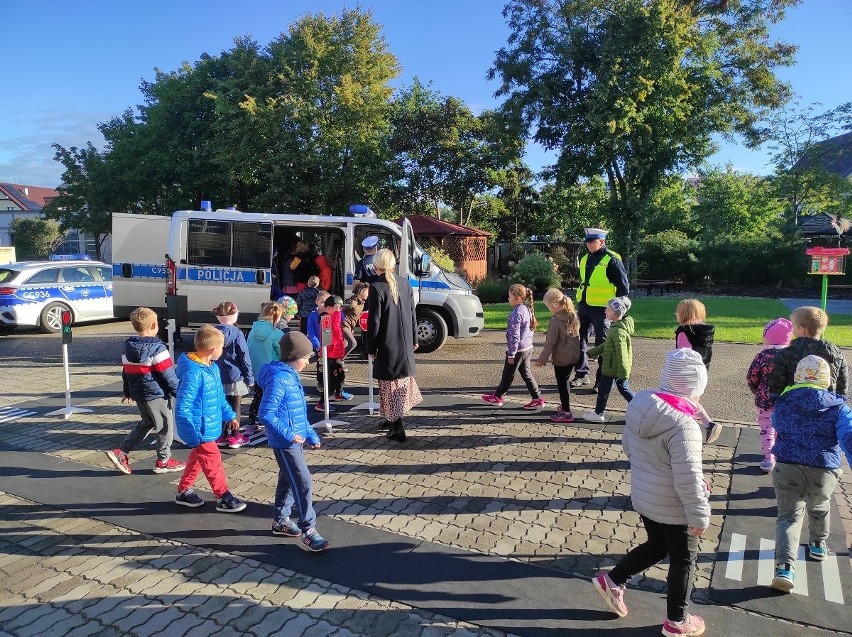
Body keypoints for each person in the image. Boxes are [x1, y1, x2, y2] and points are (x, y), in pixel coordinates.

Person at [591, 348, 710, 637]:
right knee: (684, 559)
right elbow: (689, 477)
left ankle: (614, 580)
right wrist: (699, 514)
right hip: (675, 506)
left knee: (658, 545)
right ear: (696, 387)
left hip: (645, 496)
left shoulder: (642, 405)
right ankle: (677, 621)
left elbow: (629, 449)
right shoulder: (685, 426)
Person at [769, 355, 852, 593]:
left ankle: (784, 567)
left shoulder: (783, 402)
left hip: (787, 465)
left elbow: (776, 425)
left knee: (788, 517)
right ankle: (818, 543)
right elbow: (848, 437)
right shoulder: (839, 408)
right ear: (828, 381)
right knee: (820, 506)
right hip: (823, 468)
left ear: (797, 377)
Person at [257, 331, 329, 552]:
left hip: (294, 439)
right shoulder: (280, 379)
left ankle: (280, 520)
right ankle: (309, 529)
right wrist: (289, 434)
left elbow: (297, 413)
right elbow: (266, 413)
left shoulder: (290, 376)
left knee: (287, 480)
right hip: (285, 442)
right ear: (294, 356)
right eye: (306, 357)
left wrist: (311, 434)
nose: (308, 362)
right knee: (303, 483)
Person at [173, 325, 247, 512]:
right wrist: (190, 434)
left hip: (208, 427)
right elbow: (183, 407)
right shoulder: (193, 373)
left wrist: (230, 415)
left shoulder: (211, 368)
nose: (222, 352)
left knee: (197, 460)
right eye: (222, 348)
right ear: (213, 350)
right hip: (199, 429)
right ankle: (223, 496)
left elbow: (219, 397)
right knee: (213, 461)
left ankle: (183, 491)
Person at [105, 306, 184, 475]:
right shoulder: (158, 349)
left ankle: (122, 451)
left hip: (139, 393)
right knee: (165, 426)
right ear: (155, 325)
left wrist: (127, 391)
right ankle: (163, 460)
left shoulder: (128, 348)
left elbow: (125, 372)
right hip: (157, 394)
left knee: (147, 423)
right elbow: (168, 376)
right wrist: (180, 394)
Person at [365, 248, 423, 442]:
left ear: (376, 266)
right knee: (396, 383)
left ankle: (397, 426)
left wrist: (371, 347)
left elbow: (375, 322)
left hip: (387, 342)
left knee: (389, 384)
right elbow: (413, 314)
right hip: (404, 340)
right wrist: (415, 338)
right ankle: (390, 419)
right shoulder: (404, 283)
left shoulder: (376, 287)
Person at [572, 228, 630, 392]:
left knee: (603, 345)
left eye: (592, 241)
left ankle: (603, 381)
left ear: (602, 242)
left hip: (604, 309)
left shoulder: (612, 259)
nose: (589, 244)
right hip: (584, 305)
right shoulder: (584, 259)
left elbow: (623, 287)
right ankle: (582, 374)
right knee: (578, 339)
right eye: (587, 242)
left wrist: (617, 309)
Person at [481, 284, 544, 410]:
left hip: (518, 350)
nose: (508, 299)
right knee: (526, 374)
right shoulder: (527, 308)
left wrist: (511, 354)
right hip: (527, 347)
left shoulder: (517, 313)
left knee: (508, 374)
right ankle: (537, 398)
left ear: (519, 298)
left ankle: (498, 397)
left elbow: (514, 336)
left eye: (510, 296)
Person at [767, 306, 848, 399]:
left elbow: (777, 381)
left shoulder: (787, 353)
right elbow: (842, 380)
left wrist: (776, 398)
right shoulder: (834, 352)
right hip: (825, 402)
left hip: (794, 402)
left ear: (802, 329)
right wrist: (840, 398)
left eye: (793, 325)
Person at [746, 318, 794, 473]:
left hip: (765, 400)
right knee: (782, 428)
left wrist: (757, 390)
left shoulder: (763, 356)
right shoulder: (792, 356)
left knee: (767, 428)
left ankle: (768, 458)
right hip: (786, 400)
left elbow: (752, 376)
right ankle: (781, 454)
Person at [581, 297, 635, 423]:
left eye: (609, 310)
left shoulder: (617, 331)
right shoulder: (616, 326)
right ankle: (599, 413)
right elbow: (607, 345)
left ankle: (642, 409)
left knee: (622, 390)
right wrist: (591, 353)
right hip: (611, 367)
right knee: (604, 390)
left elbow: (621, 353)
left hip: (613, 368)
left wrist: (623, 374)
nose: (605, 311)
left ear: (616, 313)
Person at [533, 288, 581, 424]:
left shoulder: (555, 320)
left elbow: (550, 343)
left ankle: (566, 412)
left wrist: (541, 360)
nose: (549, 309)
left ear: (554, 304)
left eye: (548, 307)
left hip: (561, 358)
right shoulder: (572, 316)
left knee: (562, 384)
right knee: (565, 382)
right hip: (572, 356)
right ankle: (565, 406)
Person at [212, 301, 254, 449]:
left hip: (218, 376)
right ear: (235, 315)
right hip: (235, 375)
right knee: (236, 406)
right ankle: (235, 436)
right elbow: (244, 356)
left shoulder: (213, 332)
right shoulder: (237, 333)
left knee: (222, 407)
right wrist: (250, 377)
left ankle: (222, 436)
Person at [246, 301, 286, 435]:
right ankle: (271, 425)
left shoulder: (253, 330)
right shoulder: (277, 333)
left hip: (256, 370)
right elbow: (282, 352)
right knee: (273, 399)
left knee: (257, 397)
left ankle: (251, 423)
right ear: (277, 316)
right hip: (272, 372)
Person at [675, 299, 715, 369]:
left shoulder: (684, 331)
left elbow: (682, 355)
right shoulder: (707, 332)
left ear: (682, 314)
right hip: (702, 372)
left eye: (677, 311)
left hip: (687, 373)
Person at [342, 282, 369, 362]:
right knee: (353, 343)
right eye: (367, 291)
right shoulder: (352, 302)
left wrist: (352, 328)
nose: (368, 294)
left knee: (345, 346)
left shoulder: (362, 302)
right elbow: (340, 311)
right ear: (361, 291)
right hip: (344, 325)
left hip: (350, 326)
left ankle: (338, 363)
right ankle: (338, 360)